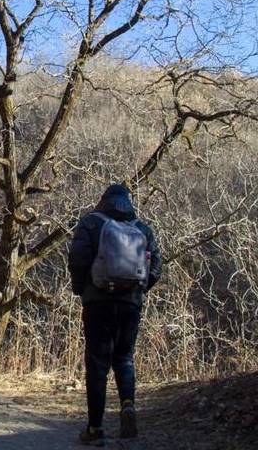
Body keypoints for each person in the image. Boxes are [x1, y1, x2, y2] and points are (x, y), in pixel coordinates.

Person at [68, 183, 162, 446]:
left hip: (97, 302)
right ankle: (128, 405)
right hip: (130, 304)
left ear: (104, 200)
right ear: (128, 201)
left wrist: (81, 288)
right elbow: (156, 265)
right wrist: (139, 289)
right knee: (124, 358)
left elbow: (77, 258)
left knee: (97, 363)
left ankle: (95, 428)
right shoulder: (142, 228)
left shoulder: (91, 223)